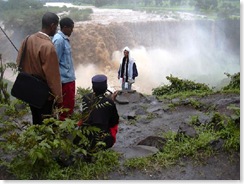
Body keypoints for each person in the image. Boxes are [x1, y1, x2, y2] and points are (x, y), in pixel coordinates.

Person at [16, 12, 62, 125]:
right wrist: (59, 98)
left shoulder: (28, 39)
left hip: (29, 90)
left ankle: (35, 142)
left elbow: (18, 62)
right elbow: (53, 77)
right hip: (44, 94)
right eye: (56, 26)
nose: (56, 29)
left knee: (35, 120)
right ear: (52, 25)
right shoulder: (48, 46)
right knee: (47, 124)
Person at [75, 74, 119, 151]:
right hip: (102, 139)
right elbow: (114, 122)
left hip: (85, 137)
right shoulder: (109, 103)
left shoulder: (85, 98)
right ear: (105, 88)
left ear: (93, 87)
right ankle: (109, 142)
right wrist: (112, 101)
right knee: (113, 125)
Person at [52, 17, 76, 121]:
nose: (72, 30)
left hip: (68, 78)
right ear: (65, 27)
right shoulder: (59, 40)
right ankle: (64, 128)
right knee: (65, 107)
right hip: (64, 80)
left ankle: (66, 125)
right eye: (71, 28)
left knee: (69, 105)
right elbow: (54, 62)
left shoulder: (63, 39)